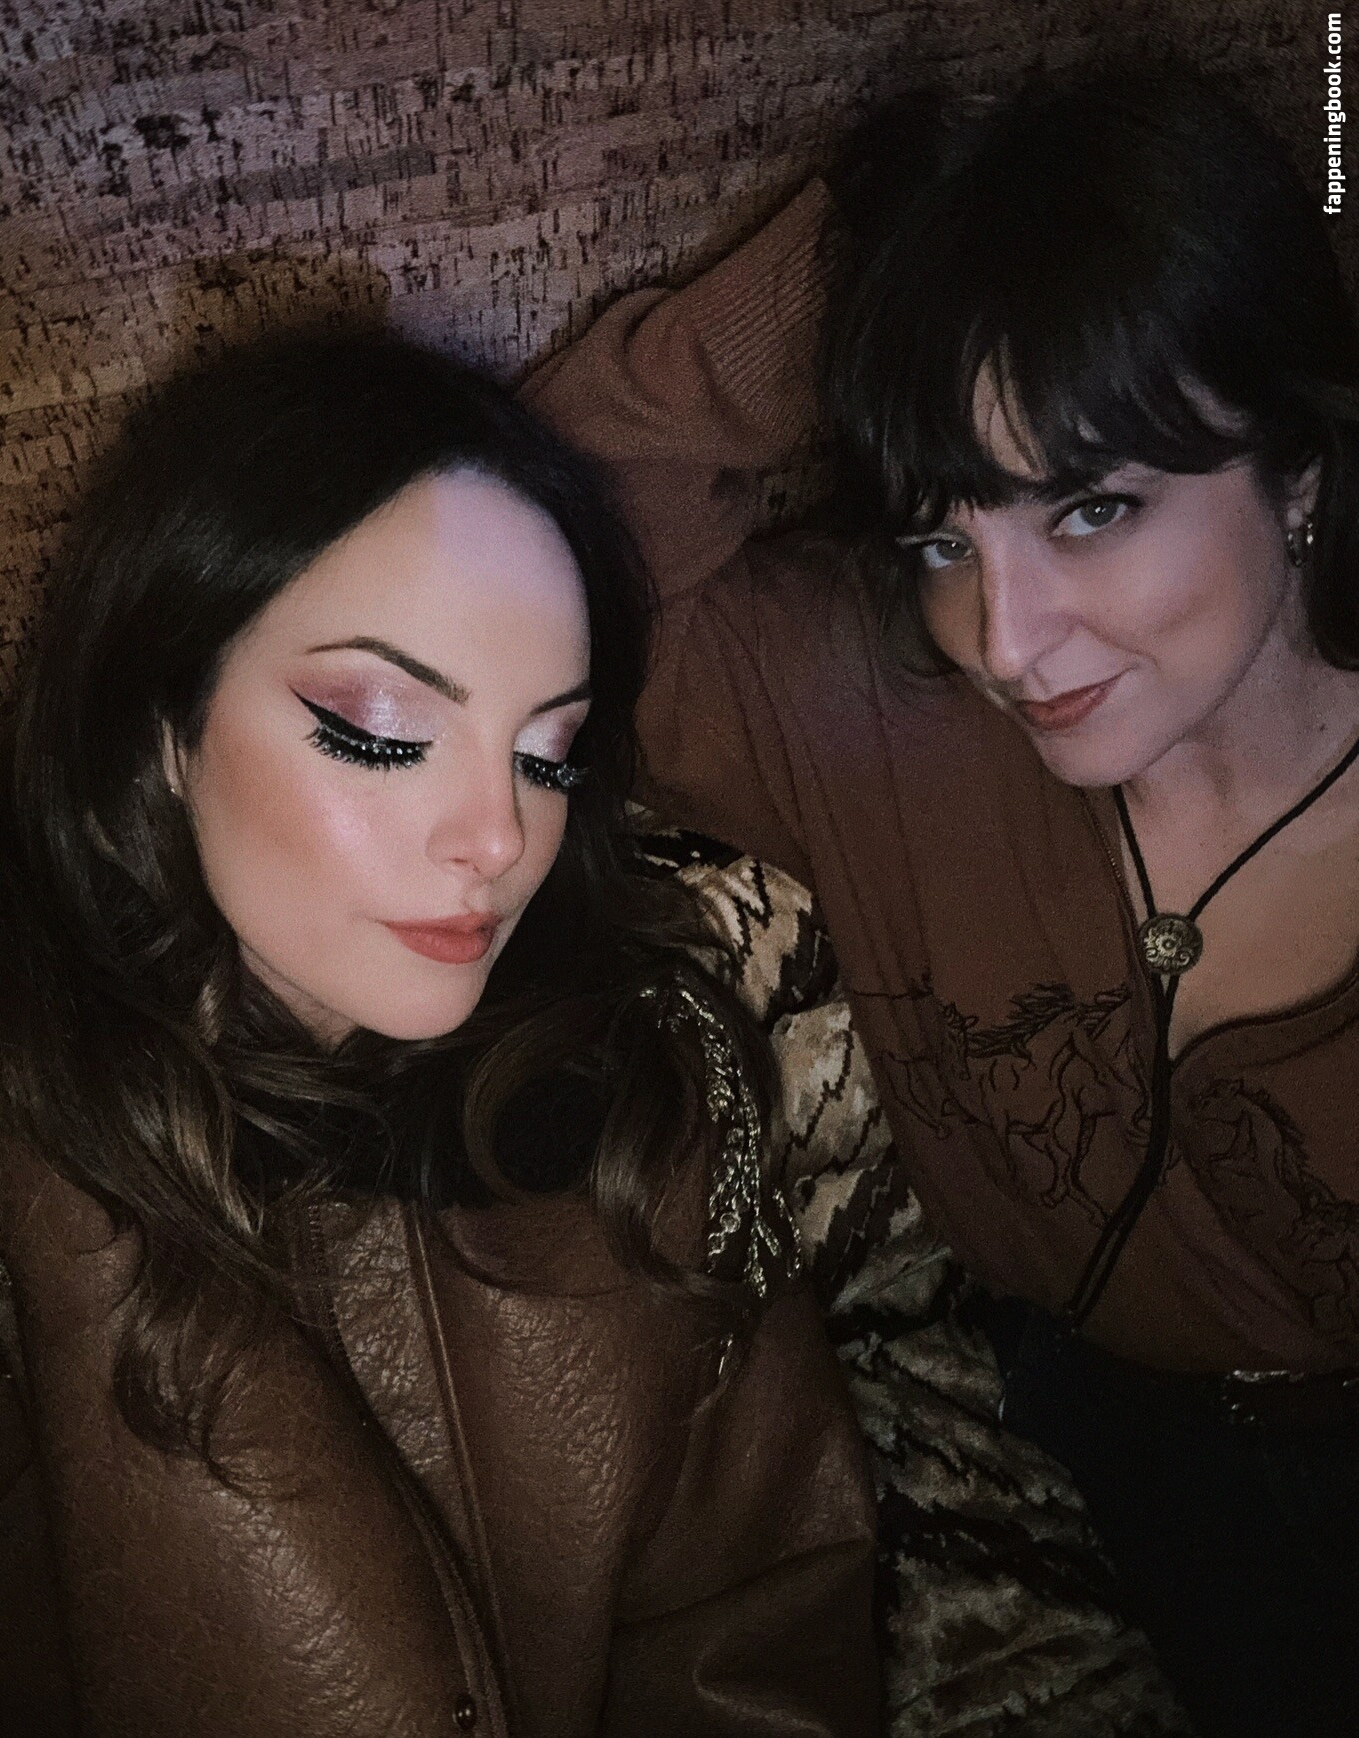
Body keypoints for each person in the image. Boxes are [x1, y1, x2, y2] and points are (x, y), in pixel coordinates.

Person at [523, 65, 1359, 1738]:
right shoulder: (885, 709)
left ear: (1299, 469)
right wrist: (889, 259)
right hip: (1086, 1446)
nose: (1007, 638)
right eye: (942, 535)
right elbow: (535, 536)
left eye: (1094, 508)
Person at [0, 330, 883, 1735]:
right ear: (165, 723)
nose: (499, 836)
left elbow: (765, 1635)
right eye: (380, 729)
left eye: (547, 751)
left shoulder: (650, 1083)